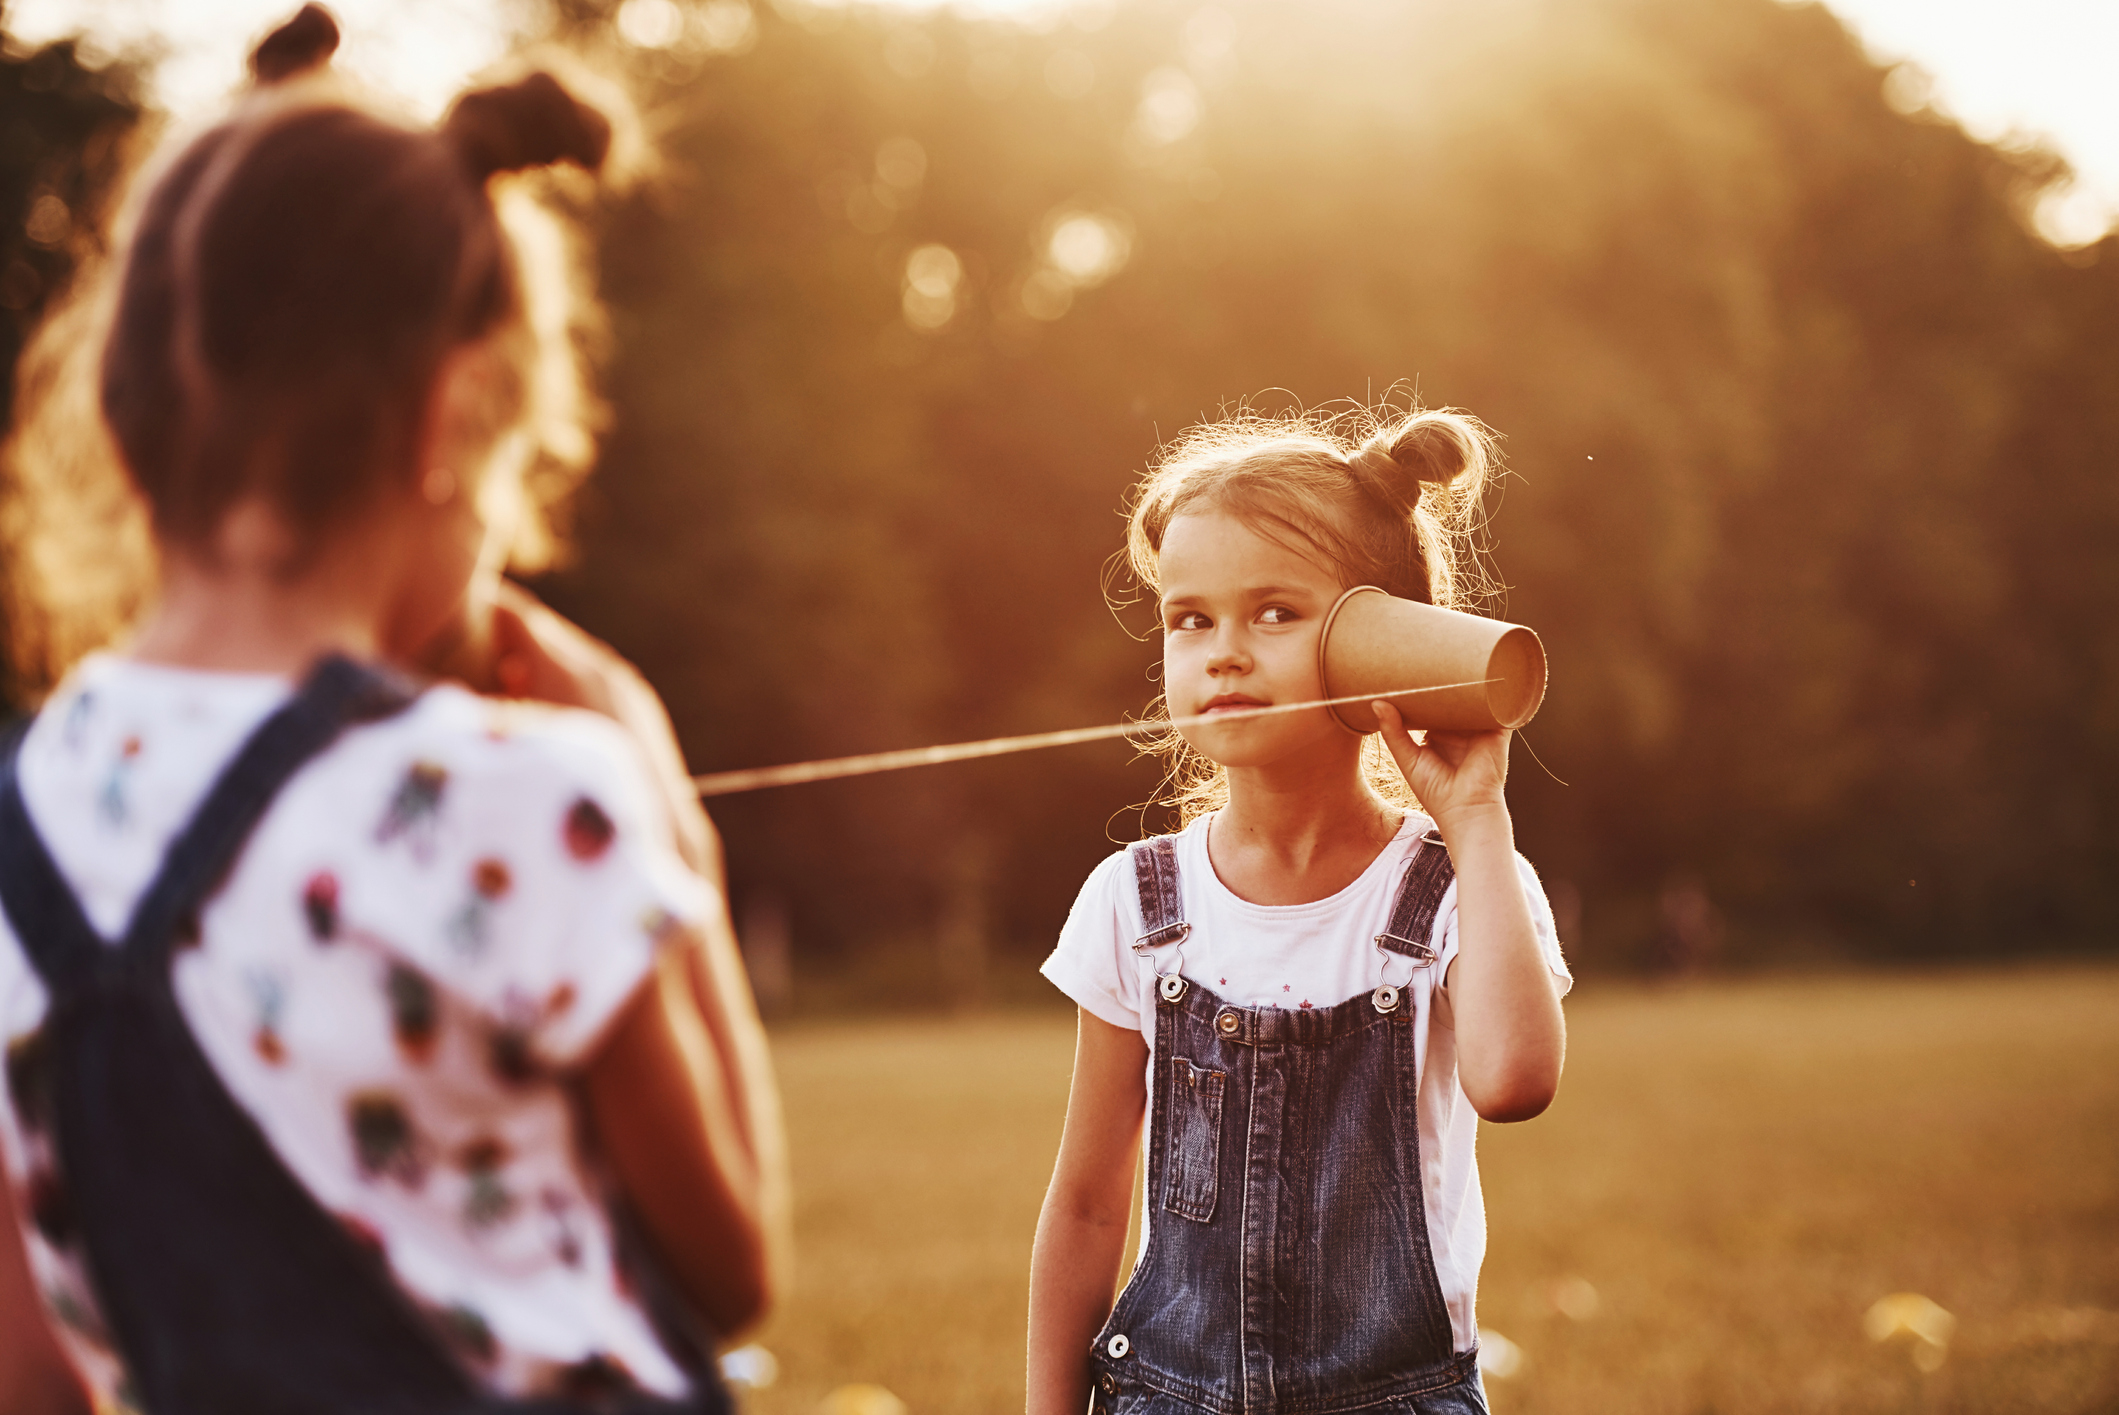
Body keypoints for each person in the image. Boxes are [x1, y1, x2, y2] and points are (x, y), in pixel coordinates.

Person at [0, 7, 787, 1412]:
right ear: (447, 421)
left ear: (118, 425)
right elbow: (728, 1267)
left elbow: (33, 1378)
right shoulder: (527, 794)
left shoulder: (13, 838)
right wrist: (668, 822)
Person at [1026, 406, 1571, 1414]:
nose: (1222, 651)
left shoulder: (1457, 886)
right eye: (1190, 617)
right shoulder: (1136, 901)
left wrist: (1476, 816)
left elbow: (1513, 1078)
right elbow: (1089, 1199)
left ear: (1378, 642)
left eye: (1272, 611)